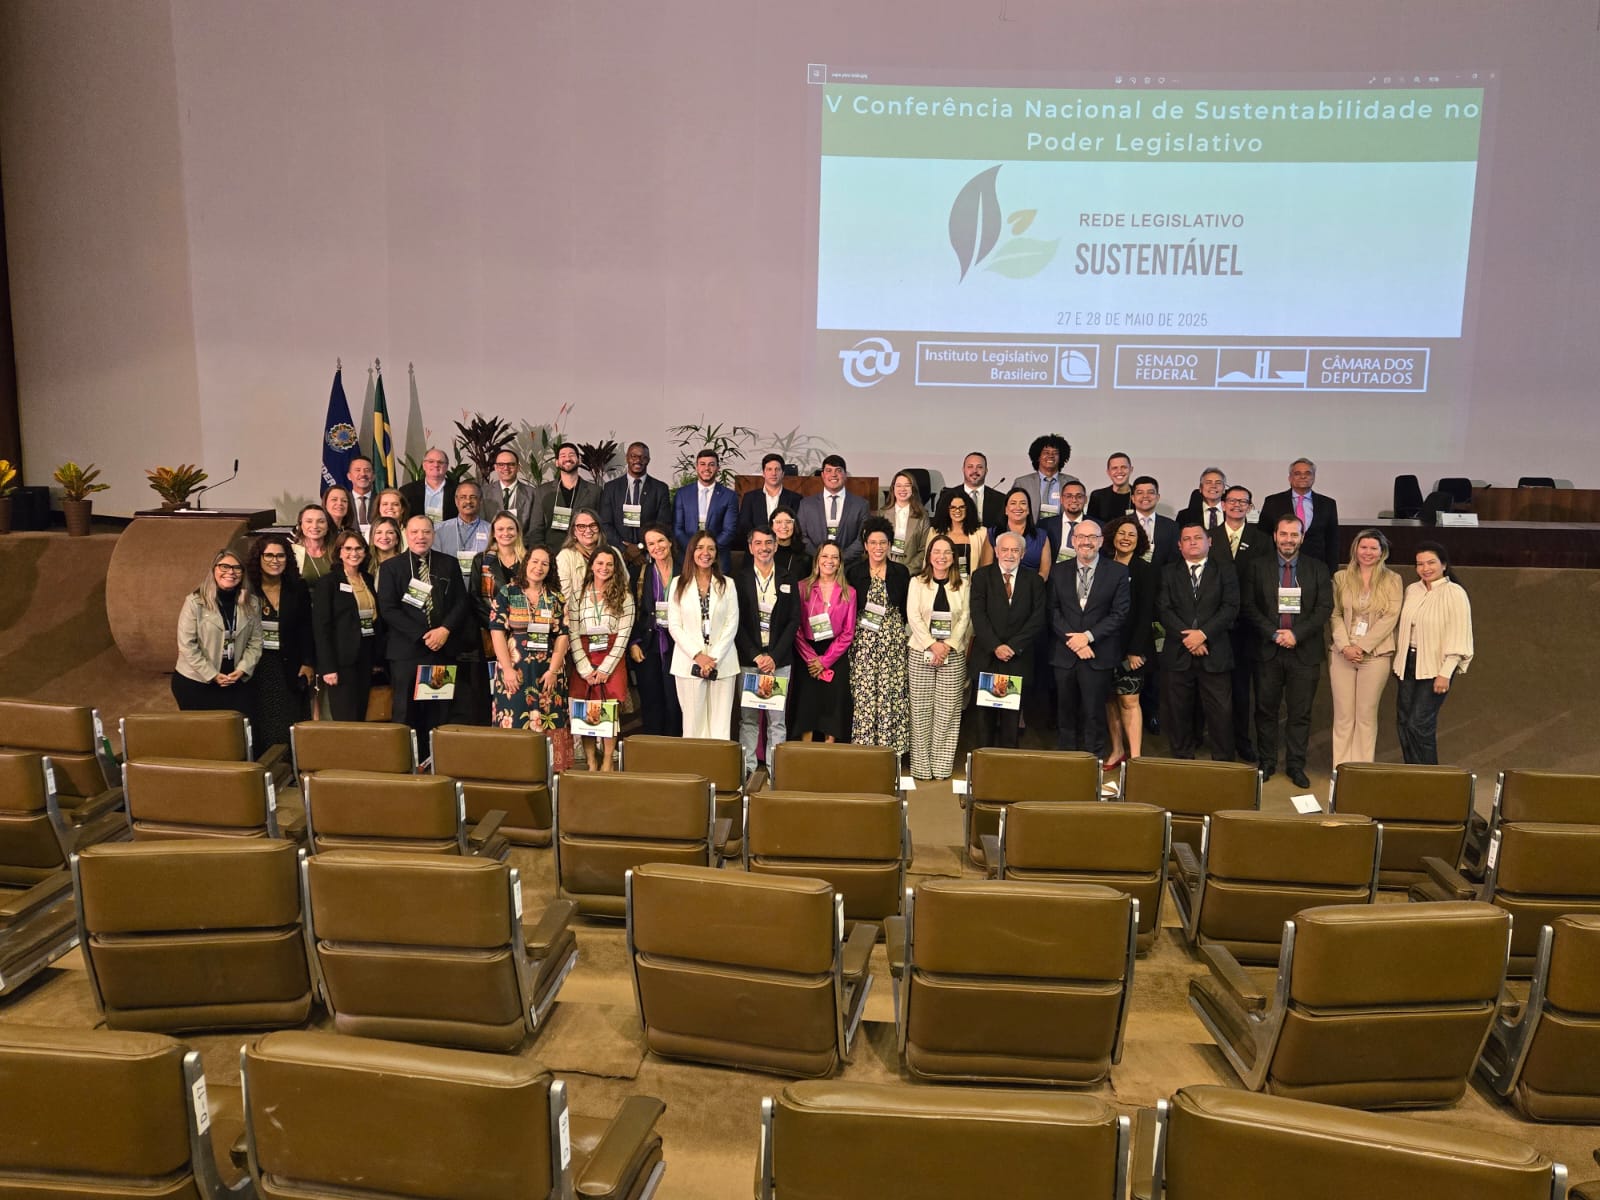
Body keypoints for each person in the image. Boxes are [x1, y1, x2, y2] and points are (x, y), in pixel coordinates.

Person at [1241, 514, 1334, 787]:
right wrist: (1274, 633)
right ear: (1275, 536)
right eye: (1284, 534)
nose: (1288, 540)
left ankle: (1295, 765)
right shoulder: (1257, 567)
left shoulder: (1318, 568)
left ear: (1302, 538)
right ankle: (1267, 762)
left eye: (1294, 535)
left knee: (1300, 713)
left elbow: (1324, 608)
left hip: (1303, 651)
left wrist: (1296, 634)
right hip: (1267, 651)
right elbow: (1248, 606)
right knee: (1265, 710)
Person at [376, 515, 471, 757]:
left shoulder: (448, 564)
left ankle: (437, 761)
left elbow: (461, 602)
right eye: (415, 532)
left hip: (441, 650)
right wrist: (423, 635)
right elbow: (388, 609)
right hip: (407, 652)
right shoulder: (391, 568)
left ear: (433, 535)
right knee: (405, 711)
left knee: (439, 710)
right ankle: (404, 762)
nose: (421, 537)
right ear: (406, 534)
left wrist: (444, 630)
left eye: (426, 532)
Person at [1156, 522, 1240, 761]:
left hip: (1215, 652)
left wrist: (1202, 634)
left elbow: (1230, 607)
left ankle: (1223, 762)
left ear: (1209, 542)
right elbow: (1163, 609)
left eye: (1198, 537)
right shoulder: (1168, 572)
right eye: (1187, 539)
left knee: (1221, 712)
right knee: (1178, 711)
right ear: (1179, 545)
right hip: (1177, 653)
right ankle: (1182, 759)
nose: (1193, 542)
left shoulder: (1225, 570)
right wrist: (1189, 638)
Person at [1048, 520, 1129, 758]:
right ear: (1072, 541)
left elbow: (1119, 613)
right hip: (1064, 655)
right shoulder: (1057, 570)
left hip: (1099, 654)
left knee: (1094, 713)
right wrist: (1073, 641)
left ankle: (1092, 763)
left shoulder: (1118, 572)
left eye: (1092, 537)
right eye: (1081, 536)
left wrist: (1087, 637)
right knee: (1065, 712)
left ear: (1101, 541)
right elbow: (1052, 611)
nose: (1086, 541)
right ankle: (1067, 762)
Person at [489, 544, 574, 771]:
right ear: (526, 563)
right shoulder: (508, 592)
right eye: (535, 561)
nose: (539, 567)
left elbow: (563, 635)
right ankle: (514, 774)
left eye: (545, 563)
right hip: (514, 671)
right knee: (515, 721)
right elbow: (497, 632)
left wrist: (553, 670)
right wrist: (506, 669)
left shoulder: (556, 597)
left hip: (548, 672)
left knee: (550, 721)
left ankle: (551, 777)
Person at [1392, 542, 1473, 765]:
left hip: (1435, 668)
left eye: (1431, 563)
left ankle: (1431, 778)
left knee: (1420, 724)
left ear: (1444, 565)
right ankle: (1412, 775)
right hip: (1407, 664)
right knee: (1404, 722)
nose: (1425, 568)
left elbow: (1460, 635)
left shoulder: (1455, 593)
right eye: (1420, 564)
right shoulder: (1412, 590)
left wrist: (1445, 673)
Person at [1329, 529, 1404, 766]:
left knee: (1365, 716)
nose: (1368, 552)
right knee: (1343, 716)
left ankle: (1361, 769)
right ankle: (1340, 769)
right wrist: (1345, 646)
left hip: (1376, 655)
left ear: (1382, 552)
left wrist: (1362, 647)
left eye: (1374, 548)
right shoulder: (1340, 577)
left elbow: (1391, 617)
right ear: (1355, 549)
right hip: (1342, 654)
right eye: (1364, 547)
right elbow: (1335, 614)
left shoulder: (1393, 579)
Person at [968, 530, 1047, 749]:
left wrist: (1012, 647)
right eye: (1005, 549)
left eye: (1015, 550)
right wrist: (996, 646)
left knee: (1012, 722)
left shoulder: (1034, 581)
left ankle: (1006, 771)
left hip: (1017, 660)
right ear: (996, 551)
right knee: (984, 721)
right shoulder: (982, 576)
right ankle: (982, 768)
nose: (1009, 554)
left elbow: (1037, 618)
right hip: (988, 658)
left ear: (1023, 553)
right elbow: (978, 615)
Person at [734, 523, 800, 773]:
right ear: (750, 547)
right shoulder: (738, 580)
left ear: (775, 545)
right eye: (758, 543)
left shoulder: (787, 577)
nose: (764, 548)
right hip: (750, 659)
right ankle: (748, 768)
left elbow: (794, 620)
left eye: (768, 543)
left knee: (777, 721)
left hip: (778, 660)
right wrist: (756, 655)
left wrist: (773, 656)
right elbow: (736, 622)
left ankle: (776, 768)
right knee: (748, 719)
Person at [905, 535, 972, 779]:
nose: (941, 556)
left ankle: (942, 766)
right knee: (921, 711)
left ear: (954, 557)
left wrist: (948, 646)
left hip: (952, 655)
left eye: (947, 552)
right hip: (921, 651)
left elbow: (965, 618)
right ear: (929, 555)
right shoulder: (917, 583)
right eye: (936, 551)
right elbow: (913, 616)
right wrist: (933, 645)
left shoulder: (964, 583)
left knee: (948, 711)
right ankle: (922, 767)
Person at [1210, 484, 1267, 762]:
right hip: (1216, 626)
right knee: (1216, 688)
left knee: (1243, 689)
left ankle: (1243, 741)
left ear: (1250, 507)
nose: (1236, 505)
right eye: (1231, 501)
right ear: (1222, 504)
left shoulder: (1262, 538)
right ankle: (1217, 741)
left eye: (1243, 502)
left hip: (1248, 626)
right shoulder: (1209, 537)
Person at [172, 549, 263, 722]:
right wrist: (212, 674)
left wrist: (243, 669)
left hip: (236, 680)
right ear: (214, 570)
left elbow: (256, 642)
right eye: (224, 566)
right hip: (197, 681)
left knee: (240, 736)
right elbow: (187, 645)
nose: (231, 572)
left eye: (237, 568)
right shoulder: (195, 602)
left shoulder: (252, 603)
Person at [845, 517, 912, 756]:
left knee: (891, 694)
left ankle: (890, 751)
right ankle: (864, 752)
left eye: (883, 542)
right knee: (864, 695)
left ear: (890, 544)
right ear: (865, 545)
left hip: (892, 640)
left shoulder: (901, 572)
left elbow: (906, 609)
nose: (878, 547)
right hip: (863, 641)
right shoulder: (854, 572)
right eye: (872, 542)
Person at [668, 531, 741, 740]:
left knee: (720, 725)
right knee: (693, 724)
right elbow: (674, 626)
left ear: (716, 554)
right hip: (688, 663)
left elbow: (731, 623)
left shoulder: (728, 584)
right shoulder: (678, 584)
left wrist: (713, 658)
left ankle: (719, 770)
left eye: (711, 548)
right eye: (700, 548)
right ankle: (694, 769)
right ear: (691, 552)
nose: (705, 553)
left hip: (722, 663)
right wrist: (698, 656)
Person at [245, 534, 313, 752]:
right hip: (256, 665)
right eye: (269, 555)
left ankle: (288, 769)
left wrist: (308, 662)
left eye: (281, 556)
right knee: (261, 718)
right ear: (259, 558)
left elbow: (307, 628)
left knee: (288, 717)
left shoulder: (297, 587)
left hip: (290, 664)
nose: (275, 560)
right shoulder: (247, 589)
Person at [568, 545, 634, 771]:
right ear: (591, 566)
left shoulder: (624, 596)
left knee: (608, 709)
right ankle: (591, 761)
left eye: (609, 564)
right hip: (584, 657)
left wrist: (605, 668)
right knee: (586, 710)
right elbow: (573, 633)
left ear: (615, 568)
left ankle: (607, 760)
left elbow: (624, 636)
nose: (604, 568)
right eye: (599, 563)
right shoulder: (578, 595)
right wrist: (585, 668)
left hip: (612, 658)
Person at [1100, 516, 1155, 767]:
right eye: (1121, 533)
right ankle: (1117, 750)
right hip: (1104, 645)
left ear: (1139, 541)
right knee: (1110, 699)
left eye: (1132, 534)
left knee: (1129, 700)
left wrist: (1135, 650)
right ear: (1112, 536)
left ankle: (1136, 758)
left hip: (1133, 647)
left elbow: (1146, 613)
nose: (1126, 538)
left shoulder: (1144, 570)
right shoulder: (1102, 566)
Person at [313, 529, 382, 721]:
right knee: (345, 716)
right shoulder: (328, 583)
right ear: (339, 552)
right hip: (341, 661)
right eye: (348, 548)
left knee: (361, 713)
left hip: (366, 656)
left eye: (359, 548)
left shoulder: (367, 579)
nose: (354, 553)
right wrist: (327, 667)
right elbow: (321, 628)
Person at [792, 543, 856, 742]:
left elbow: (848, 632)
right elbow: (796, 627)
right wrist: (813, 659)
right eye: (825, 556)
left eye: (834, 557)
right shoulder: (802, 587)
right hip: (807, 654)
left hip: (834, 654)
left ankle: (830, 754)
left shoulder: (849, 592)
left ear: (840, 563)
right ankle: (804, 755)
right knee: (807, 706)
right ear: (817, 560)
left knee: (832, 706)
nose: (829, 561)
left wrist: (825, 661)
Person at [627, 524, 683, 737]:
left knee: (675, 702)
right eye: (651, 543)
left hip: (678, 646)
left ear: (670, 541)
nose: (657, 547)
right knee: (651, 702)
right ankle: (653, 754)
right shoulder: (640, 573)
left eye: (660, 541)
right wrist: (632, 642)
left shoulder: (685, 571)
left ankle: (675, 752)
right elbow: (630, 611)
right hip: (647, 646)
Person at [1257, 457, 1341, 574]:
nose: (1303, 476)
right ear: (1290, 478)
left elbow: (1332, 541)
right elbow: (1263, 537)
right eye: (1297, 473)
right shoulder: (1273, 501)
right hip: (1279, 566)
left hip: (1316, 567)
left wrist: (1332, 572)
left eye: (1308, 473)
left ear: (1314, 477)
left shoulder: (1328, 504)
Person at [599, 441, 671, 570]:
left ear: (648, 460)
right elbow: (605, 523)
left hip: (648, 556)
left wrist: (640, 548)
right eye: (634, 456)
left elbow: (662, 524)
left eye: (643, 457)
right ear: (627, 458)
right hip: (619, 556)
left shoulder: (660, 489)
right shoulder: (611, 488)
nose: (638, 460)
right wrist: (625, 549)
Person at [470, 512, 525, 664]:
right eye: (500, 529)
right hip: (491, 630)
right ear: (493, 533)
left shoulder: (529, 560)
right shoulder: (481, 560)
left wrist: (517, 623)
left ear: (517, 531)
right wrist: (498, 623)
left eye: (510, 529)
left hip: (524, 632)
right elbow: (475, 598)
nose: (505, 533)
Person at [529, 442, 603, 555]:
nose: (567, 458)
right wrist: (540, 554)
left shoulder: (595, 491)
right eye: (563, 456)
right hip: (552, 554)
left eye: (572, 455)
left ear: (579, 460)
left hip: (586, 554)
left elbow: (601, 526)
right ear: (557, 463)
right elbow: (536, 528)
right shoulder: (542, 491)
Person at [672, 448, 739, 570]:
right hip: (687, 556)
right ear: (696, 467)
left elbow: (729, 530)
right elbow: (677, 528)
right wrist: (693, 549)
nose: (707, 468)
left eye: (711, 465)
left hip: (718, 557)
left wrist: (709, 549)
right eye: (702, 464)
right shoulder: (682, 494)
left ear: (717, 468)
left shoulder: (729, 496)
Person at [797, 454, 868, 562]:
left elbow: (862, 538)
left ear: (845, 475)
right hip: (813, 565)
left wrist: (840, 559)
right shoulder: (806, 504)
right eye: (828, 470)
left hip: (849, 567)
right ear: (822, 475)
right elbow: (801, 536)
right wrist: (821, 557)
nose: (833, 475)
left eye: (838, 470)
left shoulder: (861, 505)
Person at [736, 452, 802, 545]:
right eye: (769, 469)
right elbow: (744, 525)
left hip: (785, 549)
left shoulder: (795, 499)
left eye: (777, 469)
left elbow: (796, 527)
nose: (773, 473)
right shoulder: (750, 497)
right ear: (763, 473)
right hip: (757, 549)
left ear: (783, 473)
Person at [432, 480, 491, 580]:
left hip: (480, 585)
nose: (468, 501)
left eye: (473, 497)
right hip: (449, 584)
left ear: (480, 501)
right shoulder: (439, 530)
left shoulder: (491, 530)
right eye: (463, 497)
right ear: (456, 501)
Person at [936, 450, 1007, 530]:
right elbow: (939, 525)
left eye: (979, 467)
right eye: (970, 467)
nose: (974, 471)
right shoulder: (947, 497)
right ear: (963, 469)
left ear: (986, 471)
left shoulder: (1000, 499)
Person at [994, 487, 1052, 581]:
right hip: (997, 589)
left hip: (1032, 590)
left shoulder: (1042, 536)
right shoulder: (992, 534)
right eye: (1013, 503)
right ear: (1006, 510)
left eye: (1023, 503)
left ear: (1028, 510)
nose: (1018, 507)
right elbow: (986, 568)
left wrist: (1029, 588)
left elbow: (1044, 572)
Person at [879, 470, 930, 574]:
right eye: (898, 485)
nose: (902, 489)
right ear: (893, 489)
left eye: (907, 485)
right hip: (884, 570)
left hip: (911, 572)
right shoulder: (882, 513)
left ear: (913, 489)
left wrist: (908, 570)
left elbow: (924, 549)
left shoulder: (922, 516)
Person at [932, 490, 991, 578]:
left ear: (968, 509)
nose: (957, 511)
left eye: (962, 507)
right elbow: (928, 565)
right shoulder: (934, 533)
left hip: (971, 586)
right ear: (946, 509)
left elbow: (986, 567)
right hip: (942, 585)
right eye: (953, 507)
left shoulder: (982, 533)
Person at [1014, 433, 1074, 521]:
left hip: (1061, 532)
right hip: (1031, 532)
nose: (1051, 455)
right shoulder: (1022, 483)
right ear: (1038, 456)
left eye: (1055, 453)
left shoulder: (1071, 482)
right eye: (1046, 452)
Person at [556, 508, 607, 602]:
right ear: (574, 532)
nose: (588, 530)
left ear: (599, 529)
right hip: (576, 613)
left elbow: (624, 590)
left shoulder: (613, 553)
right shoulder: (565, 556)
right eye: (581, 526)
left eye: (593, 525)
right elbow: (563, 597)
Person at [1129, 476, 1178, 569]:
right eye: (1140, 493)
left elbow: (1174, 558)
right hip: (1129, 578)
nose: (1145, 496)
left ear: (1157, 497)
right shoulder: (1121, 524)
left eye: (1150, 492)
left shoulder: (1171, 526)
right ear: (1133, 498)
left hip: (1162, 579)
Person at [1040, 478, 1090, 568]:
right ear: (1061, 499)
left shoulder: (1097, 526)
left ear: (1085, 500)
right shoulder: (1045, 525)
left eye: (1079, 496)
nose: (1074, 500)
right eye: (1069, 496)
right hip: (1053, 575)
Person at [399, 447, 457, 524]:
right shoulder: (407, 491)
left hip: (448, 534)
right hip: (418, 535)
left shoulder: (458, 490)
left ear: (446, 467)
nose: (436, 465)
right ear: (424, 465)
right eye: (431, 461)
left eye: (440, 462)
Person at [482, 448, 535, 532]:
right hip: (492, 542)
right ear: (495, 467)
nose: (506, 468)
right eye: (501, 464)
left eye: (511, 464)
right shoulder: (483, 493)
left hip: (522, 543)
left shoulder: (532, 493)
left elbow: (534, 527)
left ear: (518, 467)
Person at [1087, 452, 1135, 523]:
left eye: (1123, 467)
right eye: (1114, 468)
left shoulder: (1138, 495)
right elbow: (1091, 525)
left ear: (1131, 470)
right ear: (1108, 472)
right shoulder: (1098, 496)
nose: (1119, 471)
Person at [292, 504, 334, 583]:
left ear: (328, 526)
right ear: (300, 525)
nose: (314, 526)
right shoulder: (291, 552)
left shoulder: (337, 551)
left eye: (321, 522)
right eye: (309, 521)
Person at [1179, 468, 1229, 533]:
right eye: (1208, 482)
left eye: (1218, 483)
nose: (1213, 486)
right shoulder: (1184, 515)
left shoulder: (1233, 513)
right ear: (1200, 488)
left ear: (1224, 489)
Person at [770, 508, 812, 582]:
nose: (783, 526)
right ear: (771, 526)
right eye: (778, 522)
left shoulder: (806, 558)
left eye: (788, 522)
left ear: (795, 525)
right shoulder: (762, 553)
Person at [347, 455, 377, 529]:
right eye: (358, 470)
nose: (363, 474)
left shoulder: (381, 500)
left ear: (373, 476)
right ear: (349, 476)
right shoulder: (343, 501)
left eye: (367, 470)